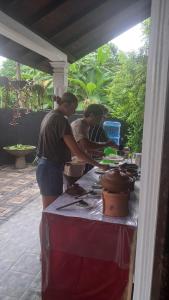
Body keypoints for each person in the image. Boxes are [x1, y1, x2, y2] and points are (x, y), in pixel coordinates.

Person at [36, 93, 107, 247]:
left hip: (47, 166)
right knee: (50, 212)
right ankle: (46, 250)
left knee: (50, 211)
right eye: (74, 108)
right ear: (66, 105)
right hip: (49, 168)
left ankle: (49, 247)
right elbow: (77, 151)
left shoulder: (50, 115)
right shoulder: (61, 120)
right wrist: (100, 165)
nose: (74, 112)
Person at [71, 104, 118, 172]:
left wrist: (97, 153)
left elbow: (83, 148)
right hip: (71, 165)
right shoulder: (79, 125)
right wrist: (106, 144)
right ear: (91, 115)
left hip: (78, 165)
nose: (99, 122)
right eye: (99, 118)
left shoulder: (86, 126)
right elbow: (86, 145)